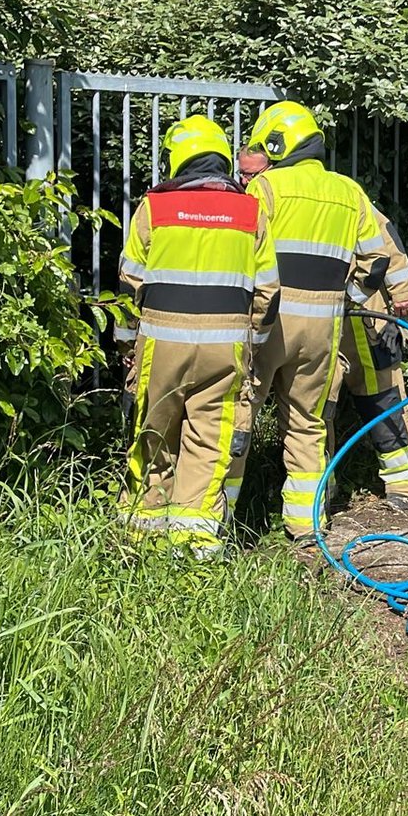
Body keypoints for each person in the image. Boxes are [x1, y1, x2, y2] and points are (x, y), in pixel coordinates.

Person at [232, 100, 408, 540]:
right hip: (322, 331)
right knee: (308, 423)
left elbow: (243, 253)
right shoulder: (348, 192)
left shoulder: (266, 189)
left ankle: (220, 520)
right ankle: (307, 524)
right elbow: (376, 260)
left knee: (238, 418)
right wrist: (344, 300)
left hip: (269, 325)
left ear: (277, 142)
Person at [117, 115, 279, 557]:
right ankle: (194, 546)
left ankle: (141, 536)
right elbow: (268, 291)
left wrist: (127, 344)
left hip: (161, 346)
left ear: (177, 159)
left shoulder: (154, 207)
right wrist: (253, 345)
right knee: (210, 442)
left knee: (155, 435)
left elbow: (129, 284)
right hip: (224, 349)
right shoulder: (251, 211)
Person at [332, 201, 408, 513]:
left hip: (363, 314)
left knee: (383, 397)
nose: (248, 176)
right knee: (315, 408)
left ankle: (404, 484)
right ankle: (321, 490)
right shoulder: (266, 192)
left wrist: (401, 291)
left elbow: (386, 242)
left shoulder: (343, 193)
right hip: (318, 317)